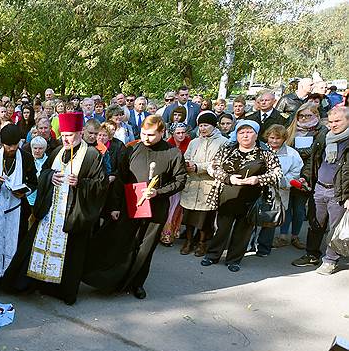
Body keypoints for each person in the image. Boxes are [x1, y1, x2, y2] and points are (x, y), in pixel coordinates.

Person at [3, 112, 108, 305]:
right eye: (64, 134)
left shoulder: (93, 155)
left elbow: (101, 185)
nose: (67, 138)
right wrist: (50, 177)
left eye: (71, 134)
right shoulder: (57, 151)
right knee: (35, 246)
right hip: (51, 211)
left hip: (73, 214)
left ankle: (63, 291)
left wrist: (81, 183)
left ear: (81, 132)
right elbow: (43, 173)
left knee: (71, 253)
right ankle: (32, 283)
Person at [85, 116, 187, 299]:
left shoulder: (173, 153)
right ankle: (113, 281)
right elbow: (120, 178)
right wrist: (114, 206)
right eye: (143, 133)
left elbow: (180, 181)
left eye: (151, 135)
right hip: (129, 205)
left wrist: (159, 192)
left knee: (145, 249)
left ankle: (137, 284)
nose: (146, 138)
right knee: (122, 243)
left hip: (156, 209)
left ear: (162, 133)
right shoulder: (132, 148)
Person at [201, 120, 281, 271]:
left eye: (249, 132)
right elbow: (212, 168)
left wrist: (259, 179)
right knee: (222, 229)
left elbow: (277, 174)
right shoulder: (227, 149)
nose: (245, 135)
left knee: (242, 232)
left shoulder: (265, 152)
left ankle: (234, 260)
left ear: (256, 135)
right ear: (236, 135)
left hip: (251, 199)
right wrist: (228, 178)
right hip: (227, 196)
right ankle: (212, 255)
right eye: (241, 132)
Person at [292, 106, 349, 274]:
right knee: (315, 223)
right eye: (330, 121)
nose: (333, 125)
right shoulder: (325, 137)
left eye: (338, 121)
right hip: (319, 188)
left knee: (335, 227)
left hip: (338, 192)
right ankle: (312, 255)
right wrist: (306, 178)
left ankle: (331, 260)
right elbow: (313, 161)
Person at [0, 124, 38, 287]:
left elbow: (33, 182)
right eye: (8, 146)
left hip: (17, 209)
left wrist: (23, 192)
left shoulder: (27, 158)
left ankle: (11, 281)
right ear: (2, 143)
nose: (12, 149)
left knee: (15, 243)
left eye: (15, 145)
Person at [179, 111, 228, 256]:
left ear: (213, 126)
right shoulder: (194, 142)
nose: (202, 128)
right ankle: (188, 241)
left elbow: (219, 164)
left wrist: (198, 167)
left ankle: (202, 243)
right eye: (200, 125)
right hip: (192, 184)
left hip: (209, 184)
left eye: (206, 125)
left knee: (204, 218)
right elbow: (186, 157)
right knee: (188, 216)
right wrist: (187, 164)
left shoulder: (223, 142)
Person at [280, 103, 327, 249]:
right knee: (286, 206)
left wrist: (297, 153)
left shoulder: (321, 131)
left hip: (308, 175)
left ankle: (295, 236)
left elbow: (315, 153)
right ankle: (282, 236)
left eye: (308, 115)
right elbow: (284, 150)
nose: (304, 118)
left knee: (299, 208)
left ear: (316, 116)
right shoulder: (292, 129)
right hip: (289, 173)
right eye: (301, 115)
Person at [254, 124, 303, 256]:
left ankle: (264, 247)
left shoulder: (292, 154)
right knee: (252, 218)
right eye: (271, 138)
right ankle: (250, 245)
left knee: (270, 220)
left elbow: (295, 174)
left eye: (278, 138)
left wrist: (280, 181)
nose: (274, 141)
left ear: (284, 139)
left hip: (278, 192)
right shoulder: (260, 149)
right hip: (258, 189)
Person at [26, 136, 48, 206]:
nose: (37, 151)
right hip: (28, 197)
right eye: (35, 148)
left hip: (43, 198)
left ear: (45, 149)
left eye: (40, 148)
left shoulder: (49, 161)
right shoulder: (27, 160)